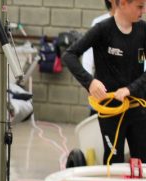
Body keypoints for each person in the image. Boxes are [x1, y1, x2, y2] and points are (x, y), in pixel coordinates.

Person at [62, 0, 146, 164]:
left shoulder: (143, 30)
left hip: (137, 108)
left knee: (141, 162)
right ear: (122, 4)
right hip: (110, 110)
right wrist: (90, 82)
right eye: (139, 6)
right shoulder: (102, 29)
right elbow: (69, 55)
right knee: (114, 160)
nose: (143, 11)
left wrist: (130, 89)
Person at [82, 1, 116, 77]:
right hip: (103, 82)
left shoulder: (139, 27)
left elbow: (142, 56)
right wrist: (89, 81)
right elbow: (89, 52)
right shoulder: (99, 23)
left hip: (130, 84)